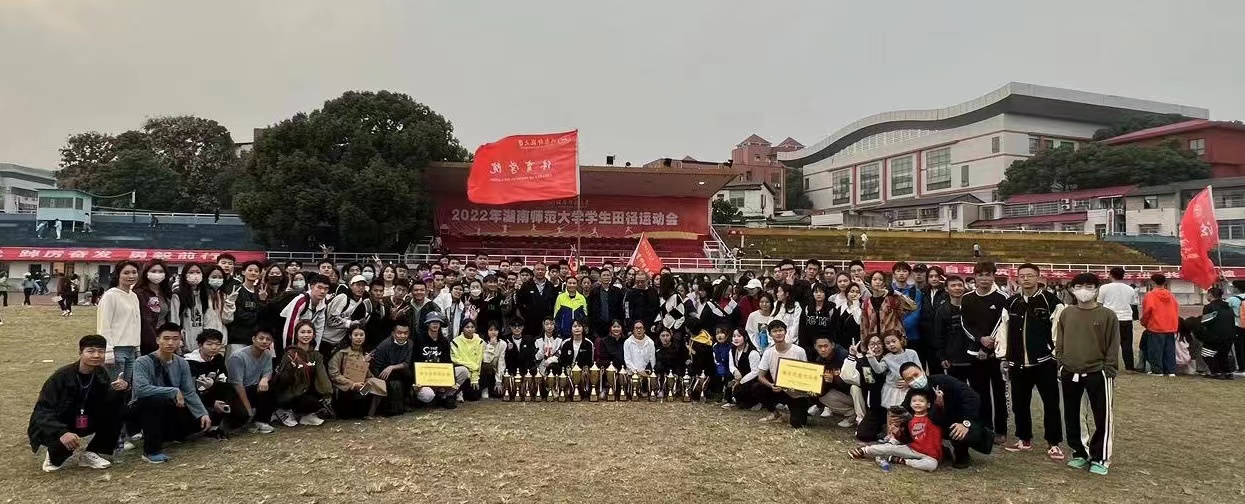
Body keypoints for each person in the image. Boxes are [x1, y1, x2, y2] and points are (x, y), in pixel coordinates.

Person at [27, 334, 124, 472]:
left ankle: (92, 452)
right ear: (80, 353)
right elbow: (42, 411)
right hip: (59, 422)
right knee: (56, 462)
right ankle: (54, 455)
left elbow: (106, 403)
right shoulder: (61, 377)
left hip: (83, 418)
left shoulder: (100, 373)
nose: (96, 355)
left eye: (101, 351)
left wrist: (121, 390)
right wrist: (62, 432)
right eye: (90, 351)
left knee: (118, 404)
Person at [1055, 272, 1119, 476]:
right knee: (1073, 414)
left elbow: (1113, 343)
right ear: (1072, 290)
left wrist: (1109, 368)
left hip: (1097, 372)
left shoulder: (1107, 315)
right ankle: (1079, 453)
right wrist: (1061, 363)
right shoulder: (1067, 313)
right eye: (1079, 286)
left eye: (1089, 286)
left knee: (1103, 416)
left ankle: (1101, 458)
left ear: (1096, 290)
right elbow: (1060, 339)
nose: (1084, 290)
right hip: (1070, 370)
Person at [1000, 263, 1065, 460]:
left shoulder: (1051, 301)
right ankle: (1023, 439)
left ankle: (1053, 443)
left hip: (1044, 362)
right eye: (1022, 276)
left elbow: (1058, 330)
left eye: (1030, 275)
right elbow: (1003, 330)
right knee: (1020, 403)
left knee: (1051, 403)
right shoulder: (1011, 302)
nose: (1026, 279)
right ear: (1017, 279)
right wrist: (1004, 356)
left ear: (1038, 277)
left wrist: (1054, 354)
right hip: (1018, 363)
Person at [130, 323, 212, 464]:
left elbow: (189, 391)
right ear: (158, 340)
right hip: (142, 407)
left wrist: (202, 413)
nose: (170, 343)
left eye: (175, 339)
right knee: (156, 400)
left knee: (202, 420)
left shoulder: (182, 362)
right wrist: (172, 391)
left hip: (171, 407)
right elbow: (141, 390)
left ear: (180, 340)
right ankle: (151, 451)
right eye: (166, 338)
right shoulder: (142, 362)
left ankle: (168, 435)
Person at [959, 261, 1009, 444]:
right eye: (980, 275)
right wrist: (979, 339)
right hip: (974, 354)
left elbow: (1002, 324)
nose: (984, 278)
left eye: (988, 275)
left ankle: (1001, 430)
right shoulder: (967, 298)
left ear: (994, 276)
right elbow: (965, 324)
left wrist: (987, 347)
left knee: (999, 393)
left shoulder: (1002, 298)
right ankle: (985, 428)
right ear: (975, 277)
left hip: (996, 354)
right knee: (980, 393)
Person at [899, 362, 984, 469]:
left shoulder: (943, 380)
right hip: (932, 424)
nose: (915, 380)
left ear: (922, 371)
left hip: (957, 420)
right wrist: (897, 424)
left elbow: (972, 397)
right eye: (909, 379)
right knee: (907, 423)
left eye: (916, 375)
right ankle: (935, 449)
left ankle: (961, 452)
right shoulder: (913, 392)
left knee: (959, 430)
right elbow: (903, 411)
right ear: (906, 382)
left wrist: (965, 423)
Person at [849, 388, 942, 472]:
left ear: (928, 405)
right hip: (912, 449)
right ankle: (864, 450)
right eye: (914, 401)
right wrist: (897, 433)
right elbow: (906, 439)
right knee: (890, 448)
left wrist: (938, 400)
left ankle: (902, 460)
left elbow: (938, 411)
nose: (917, 403)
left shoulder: (932, 418)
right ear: (910, 404)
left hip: (930, 455)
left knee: (931, 465)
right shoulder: (909, 420)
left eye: (921, 401)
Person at [271, 321, 333, 427]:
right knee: (305, 401)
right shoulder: (290, 354)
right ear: (296, 334)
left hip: (305, 390)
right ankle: (283, 411)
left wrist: (327, 393)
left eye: (309, 332)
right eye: (302, 332)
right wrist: (291, 367)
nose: (306, 335)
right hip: (290, 392)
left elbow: (322, 376)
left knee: (319, 401)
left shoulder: (316, 355)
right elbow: (282, 380)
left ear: (314, 334)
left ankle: (307, 416)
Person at [755, 320, 811, 428]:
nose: (778, 333)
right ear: (770, 334)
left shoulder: (799, 351)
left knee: (798, 424)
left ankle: (789, 415)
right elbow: (760, 376)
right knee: (757, 387)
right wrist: (771, 385)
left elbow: (806, 373)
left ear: (785, 332)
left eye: (780, 330)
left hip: (796, 392)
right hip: (778, 389)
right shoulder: (768, 352)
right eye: (775, 331)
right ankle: (775, 413)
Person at [98, 260, 141, 387]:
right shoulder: (110, 296)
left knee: (127, 387)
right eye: (126, 273)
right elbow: (104, 324)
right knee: (115, 387)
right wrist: (108, 351)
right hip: (117, 349)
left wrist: (137, 348)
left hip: (131, 349)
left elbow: (136, 323)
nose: (131, 276)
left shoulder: (134, 296)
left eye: (134, 272)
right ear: (118, 275)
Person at [328, 327, 387, 418]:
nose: (359, 337)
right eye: (356, 335)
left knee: (377, 387)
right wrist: (352, 384)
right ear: (350, 336)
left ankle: (370, 413)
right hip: (344, 388)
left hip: (360, 385)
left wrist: (365, 363)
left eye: (361, 335)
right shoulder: (341, 353)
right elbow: (334, 375)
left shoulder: (364, 353)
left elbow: (367, 375)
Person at [185, 329, 235, 433]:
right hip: (194, 398)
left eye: (218, 344)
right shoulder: (189, 362)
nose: (214, 347)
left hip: (211, 393)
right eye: (209, 344)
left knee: (228, 389)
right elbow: (188, 389)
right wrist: (212, 402)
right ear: (200, 345)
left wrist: (213, 385)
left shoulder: (218, 359)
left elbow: (224, 379)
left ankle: (215, 426)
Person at [226, 329, 276, 434]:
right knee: (242, 414)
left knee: (270, 386)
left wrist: (264, 379)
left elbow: (268, 372)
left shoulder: (267, 353)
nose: (264, 342)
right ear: (253, 339)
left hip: (253, 389)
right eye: (261, 338)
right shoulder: (238, 356)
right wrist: (248, 409)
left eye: (268, 339)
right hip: (235, 392)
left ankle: (261, 421)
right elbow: (237, 384)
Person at [413, 314, 461, 409]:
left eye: (437, 322)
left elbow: (448, 361)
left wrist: (452, 381)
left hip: (440, 375)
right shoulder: (419, 339)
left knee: (463, 371)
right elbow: (415, 360)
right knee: (428, 395)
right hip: (425, 377)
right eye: (432, 322)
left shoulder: (444, 341)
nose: (435, 324)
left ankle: (446, 396)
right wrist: (417, 381)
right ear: (427, 324)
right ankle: (431, 398)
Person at [807, 335, 856, 427]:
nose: (823, 350)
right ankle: (849, 411)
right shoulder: (820, 360)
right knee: (822, 396)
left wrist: (834, 379)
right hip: (840, 392)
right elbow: (824, 386)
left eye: (826, 346)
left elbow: (853, 382)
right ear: (815, 347)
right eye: (820, 347)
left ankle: (853, 415)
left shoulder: (844, 356)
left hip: (855, 393)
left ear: (832, 345)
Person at [372, 319, 417, 414]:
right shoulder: (384, 346)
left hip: (399, 370)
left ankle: (407, 402)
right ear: (393, 333)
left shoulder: (410, 344)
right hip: (383, 372)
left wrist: (392, 367)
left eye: (405, 333)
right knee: (395, 383)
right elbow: (376, 366)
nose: (402, 336)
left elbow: (407, 363)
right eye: (399, 333)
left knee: (408, 374)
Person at [1096, 267, 1136, 372]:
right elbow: (1132, 303)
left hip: (1110, 318)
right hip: (1126, 318)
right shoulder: (1130, 289)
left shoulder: (1104, 288)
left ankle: (1110, 365)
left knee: (1109, 344)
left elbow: (1099, 303)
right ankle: (1129, 367)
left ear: (1111, 275)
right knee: (1127, 344)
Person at [1140, 273, 1180, 377]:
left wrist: (1144, 322)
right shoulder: (1171, 295)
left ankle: (1157, 370)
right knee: (1169, 350)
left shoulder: (1150, 295)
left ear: (1152, 282)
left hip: (1156, 326)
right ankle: (1170, 370)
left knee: (1155, 350)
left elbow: (1147, 311)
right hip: (1170, 326)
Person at [134, 260, 173, 355]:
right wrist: (155, 341)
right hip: (147, 341)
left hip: (165, 337)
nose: (157, 274)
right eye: (153, 271)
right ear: (146, 273)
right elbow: (145, 320)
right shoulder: (140, 293)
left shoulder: (166, 292)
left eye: (160, 271)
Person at [1199, 287, 1238, 380]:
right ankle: (1228, 372)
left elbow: (1205, 322)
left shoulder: (1209, 307)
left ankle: (1216, 372)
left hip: (1215, 335)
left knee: (1206, 354)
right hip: (1230, 335)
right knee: (1223, 355)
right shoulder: (1228, 307)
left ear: (1210, 295)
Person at [517, 263, 559, 338]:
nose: (540, 271)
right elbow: (520, 303)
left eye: (542, 269)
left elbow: (553, 304)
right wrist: (526, 315)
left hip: (546, 323)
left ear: (546, 271)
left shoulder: (550, 286)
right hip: (529, 323)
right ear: (533, 271)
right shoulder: (526, 286)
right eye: (538, 269)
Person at [724, 328, 762, 409]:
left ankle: (756, 402)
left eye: (739, 336)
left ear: (745, 337)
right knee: (728, 376)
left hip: (750, 379)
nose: (736, 338)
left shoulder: (752, 352)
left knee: (751, 387)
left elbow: (755, 372)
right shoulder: (732, 349)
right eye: (734, 336)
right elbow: (731, 365)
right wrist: (735, 371)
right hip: (739, 376)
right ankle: (730, 400)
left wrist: (740, 381)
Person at [450, 319, 485, 401]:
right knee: (463, 371)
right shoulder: (455, 342)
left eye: (472, 327)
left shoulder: (480, 341)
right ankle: (458, 391)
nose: (470, 329)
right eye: (467, 327)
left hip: (474, 373)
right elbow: (455, 359)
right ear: (462, 328)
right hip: (462, 372)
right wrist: (472, 366)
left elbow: (478, 361)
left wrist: (474, 378)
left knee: (474, 397)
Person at [480, 321, 508, 398]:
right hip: (483, 372)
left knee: (498, 394)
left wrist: (498, 381)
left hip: (495, 372)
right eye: (490, 330)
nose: (493, 332)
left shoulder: (503, 344)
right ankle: (484, 388)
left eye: (495, 330)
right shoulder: (482, 343)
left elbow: (501, 362)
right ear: (487, 331)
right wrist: (491, 345)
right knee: (487, 366)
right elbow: (486, 360)